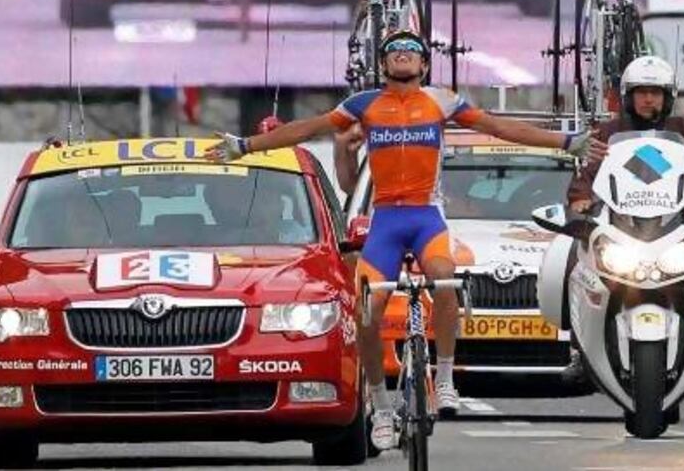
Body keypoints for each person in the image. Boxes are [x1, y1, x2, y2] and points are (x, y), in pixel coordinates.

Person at [204, 30, 604, 450]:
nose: (402, 56)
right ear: (383, 65)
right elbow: (308, 128)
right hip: (386, 222)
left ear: (424, 65)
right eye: (393, 51)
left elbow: (499, 126)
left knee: (446, 279)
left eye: (411, 51)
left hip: (425, 218)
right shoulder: (364, 105)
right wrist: (246, 146)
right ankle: (379, 406)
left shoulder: (441, 101)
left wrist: (565, 141)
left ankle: (446, 379)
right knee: (367, 313)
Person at [565, 55, 684, 397]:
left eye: (656, 92)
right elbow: (586, 172)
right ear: (628, 95)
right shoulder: (608, 133)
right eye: (641, 92)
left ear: (668, 96)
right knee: (572, 255)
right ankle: (578, 348)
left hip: (675, 225)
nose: (648, 99)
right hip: (619, 226)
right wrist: (580, 201)